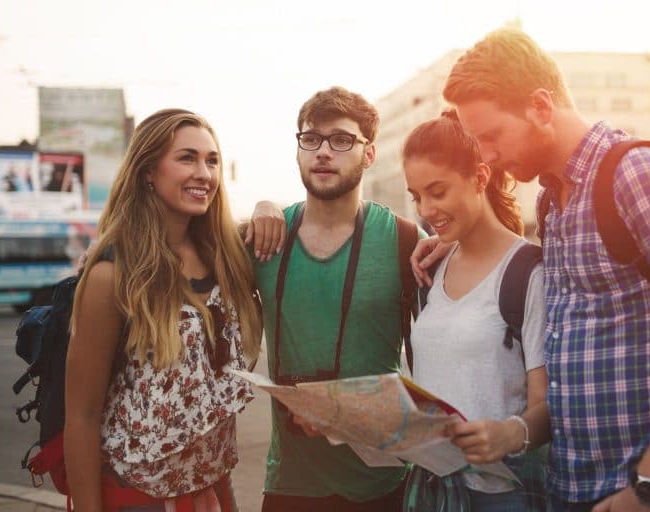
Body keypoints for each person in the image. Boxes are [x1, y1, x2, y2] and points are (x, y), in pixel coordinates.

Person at [413, 28, 650, 511]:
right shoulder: (554, 201)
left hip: (645, 491)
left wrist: (649, 487)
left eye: (490, 136)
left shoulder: (640, 175)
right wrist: (453, 244)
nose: (486, 155)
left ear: (541, 107)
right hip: (574, 487)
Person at [65, 108, 264, 511]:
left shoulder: (226, 258)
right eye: (186, 158)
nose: (204, 174)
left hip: (211, 492)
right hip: (136, 497)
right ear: (147, 172)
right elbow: (82, 415)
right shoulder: (113, 274)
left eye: (212, 161)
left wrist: (266, 207)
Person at [253, 86, 422, 512]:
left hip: (382, 485)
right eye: (311, 139)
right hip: (290, 486)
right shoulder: (263, 240)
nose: (323, 152)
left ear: (369, 154)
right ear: (298, 151)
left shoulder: (405, 240)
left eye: (342, 140)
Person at [401, 111, 549, 511]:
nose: (426, 209)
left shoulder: (527, 272)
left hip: (501, 497)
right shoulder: (432, 267)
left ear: (480, 178)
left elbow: (549, 406)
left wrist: (511, 433)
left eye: (438, 191)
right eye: (416, 196)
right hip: (432, 492)